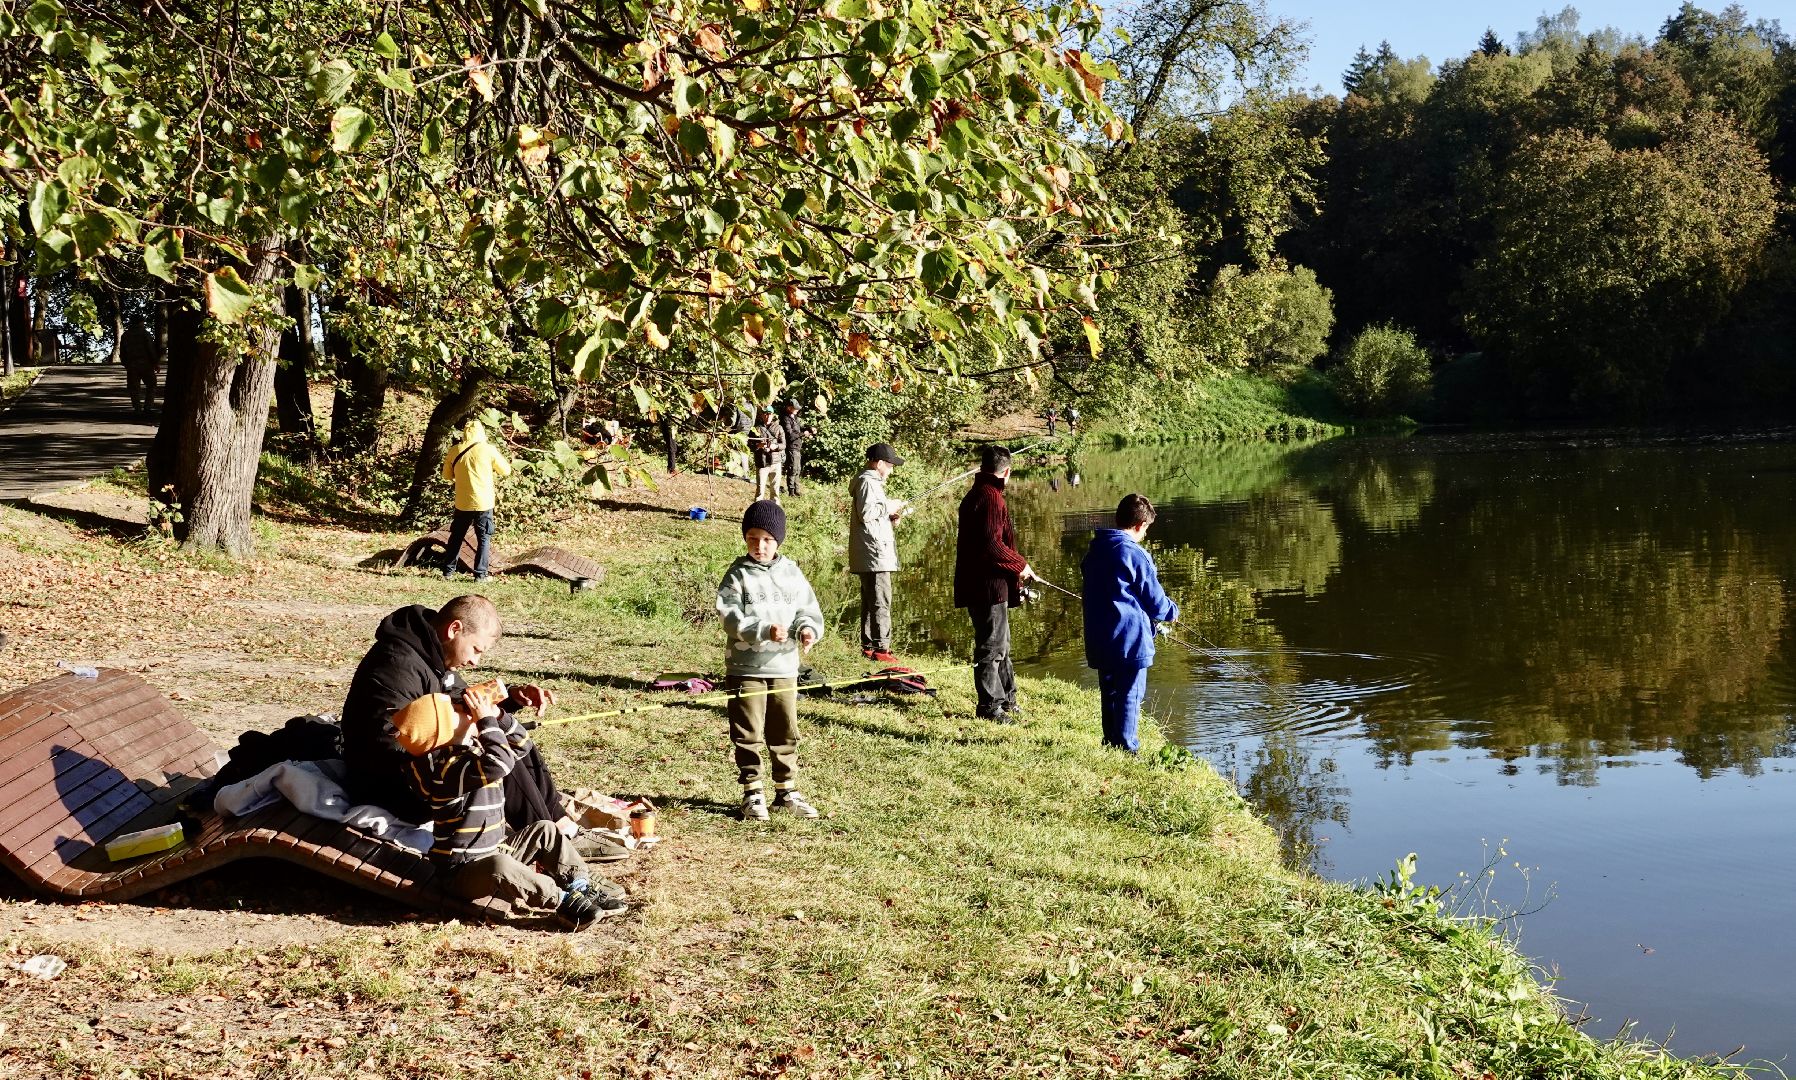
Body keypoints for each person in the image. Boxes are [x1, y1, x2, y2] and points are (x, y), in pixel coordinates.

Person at [340, 597, 623, 868]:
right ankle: (551, 844)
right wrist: (461, 744)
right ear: (455, 629)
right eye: (476, 650)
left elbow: (462, 699)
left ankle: (559, 824)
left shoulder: (432, 654)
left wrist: (512, 697)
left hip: (419, 771)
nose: (476, 662)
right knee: (493, 758)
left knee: (505, 737)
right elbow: (391, 741)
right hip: (389, 785)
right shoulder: (397, 664)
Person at [394, 682, 623, 929]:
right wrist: (485, 721)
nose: (468, 712)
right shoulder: (447, 771)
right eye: (459, 711)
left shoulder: (469, 754)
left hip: (495, 849)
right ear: (445, 731)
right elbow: (500, 762)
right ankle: (562, 901)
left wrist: (499, 716)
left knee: (545, 829)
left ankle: (579, 884)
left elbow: (522, 747)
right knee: (500, 866)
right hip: (462, 872)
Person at [716, 500, 825, 821]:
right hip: (745, 668)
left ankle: (786, 791)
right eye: (752, 538)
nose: (759, 546)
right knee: (747, 732)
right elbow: (729, 616)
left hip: (784, 668)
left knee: (784, 730)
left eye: (766, 539)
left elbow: (809, 610)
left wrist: (808, 629)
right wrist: (763, 629)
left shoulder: (792, 573)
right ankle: (752, 793)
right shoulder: (737, 575)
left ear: (778, 541)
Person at [1080, 494, 1181, 754]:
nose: (1145, 534)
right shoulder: (1134, 554)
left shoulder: (1095, 550)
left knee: (1109, 693)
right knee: (1129, 695)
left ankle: (1111, 742)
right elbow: (1155, 599)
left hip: (1100, 638)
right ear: (1139, 525)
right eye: (1146, 528)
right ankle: (1126, 749)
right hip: (1130, 640)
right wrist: (1171, 611)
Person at [953, 445, 1034, 723]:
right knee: (991, 647)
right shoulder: (990, 498)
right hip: (985, 587)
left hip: (987, 585)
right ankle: (990, 707)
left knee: (1002, 645)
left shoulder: (979, 493)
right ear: (1007, 471)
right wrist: (1021, 565)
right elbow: (991, 546)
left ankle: (1008, 700)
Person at [848, 443, 906, 662]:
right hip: (874, 554)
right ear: (879, 463)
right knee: (881, 601)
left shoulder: (870, 482)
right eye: (890, 465)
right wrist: (888, 507)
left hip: (872, 551)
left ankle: (870, 647)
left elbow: (871, 515)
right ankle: (882, 649)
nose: (891, 470)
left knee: (872, 600)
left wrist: (890, 517)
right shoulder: (866, 482)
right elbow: (866, 512)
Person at [441, 419, 512, 581]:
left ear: (464, 432)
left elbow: (446, 476)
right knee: (484, 538)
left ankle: (448, 572)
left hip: (462, 503)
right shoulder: (488, 450)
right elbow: (506, 471)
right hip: (484, 502)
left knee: (456, 536)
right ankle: (480, 575)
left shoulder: (455, 450)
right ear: (481, 432)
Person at [119, 319, 158, 415]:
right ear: (141, 322)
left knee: (134, 388)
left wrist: (126, 364)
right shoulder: (145, 333)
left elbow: (122, 352)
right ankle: (148, 407)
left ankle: (137, 409)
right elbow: (150, 349)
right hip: (146, 364)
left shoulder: (125, 335)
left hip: (132, 365)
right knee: (151, 385)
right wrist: (155, 363)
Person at [751, 407, 786, 502]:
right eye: (765, 414)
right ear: (762, 415)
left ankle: (775, 512)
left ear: (773, 415)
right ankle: (757, 512)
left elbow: (783, 445)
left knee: (775, 491)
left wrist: (775, 446)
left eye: (769, 414)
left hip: (775, 463)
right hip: (761, 463)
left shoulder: (779, 428)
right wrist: (759, 445)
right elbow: (750, 445)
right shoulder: (756, 429)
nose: (767, 416)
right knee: (760, 491)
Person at [778, 400, 812, 497]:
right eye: (795, 407)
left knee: (798, 469)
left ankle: (797, 490)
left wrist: (809, 429)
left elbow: (800, 427)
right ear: (789, 407)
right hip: (791, 447)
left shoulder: (794, 418)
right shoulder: (785, 419)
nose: (797, 409)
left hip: (797, 447)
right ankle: (791, 491)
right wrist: (802, 434)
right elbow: (790, 435)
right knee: (792, 468)